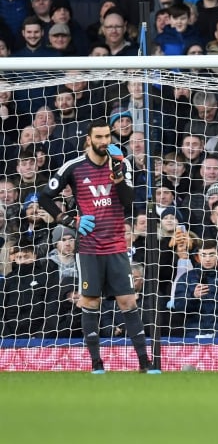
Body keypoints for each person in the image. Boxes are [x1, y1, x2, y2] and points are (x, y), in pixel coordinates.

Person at [37, 118, 160, 373]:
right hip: (89, 248)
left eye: (108, 137)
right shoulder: (74, 167)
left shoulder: (121, 163)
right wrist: (69, 219)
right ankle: (96, 363)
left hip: (116, 245)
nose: (105, 142)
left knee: (128, 301)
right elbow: (44, 196)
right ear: (89, 140)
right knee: (90, 301)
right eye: (100, 137)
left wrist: (117, 174)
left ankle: (144, 363)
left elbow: (127, 203)